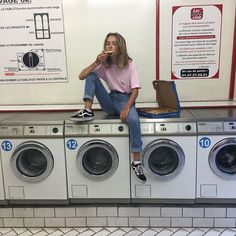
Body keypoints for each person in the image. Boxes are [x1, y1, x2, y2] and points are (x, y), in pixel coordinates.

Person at [70, 32, 146, 183]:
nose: (110, 46)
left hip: (126, 100)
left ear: (120, 46)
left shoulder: (130, 64)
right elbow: (81, 76)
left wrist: (126, 109)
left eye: (114, 43)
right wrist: (95, 62)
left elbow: (135, 90)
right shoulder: (105, 65)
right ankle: (87, 110)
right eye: (107, 43)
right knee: (91, 75)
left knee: (133, 120)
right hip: (111, 100)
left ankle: (136, 162)